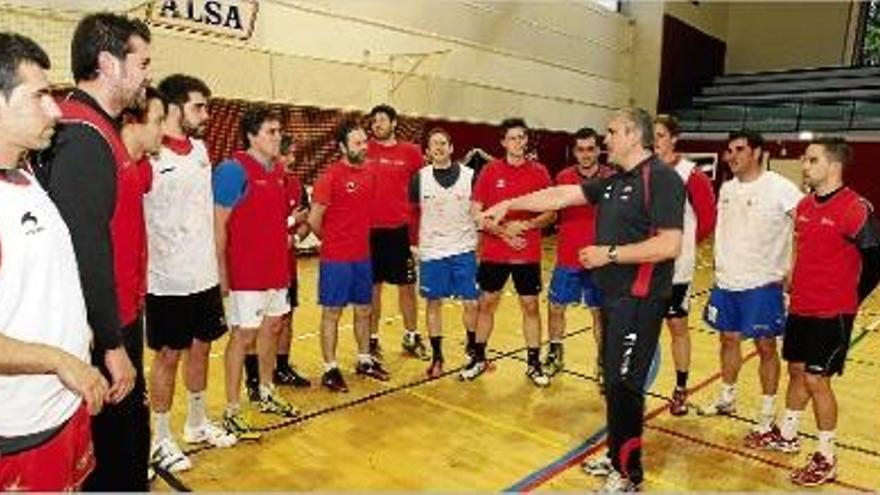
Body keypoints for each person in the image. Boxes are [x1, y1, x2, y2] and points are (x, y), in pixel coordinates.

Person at [481, 108, 685, 491]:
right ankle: (614, 458)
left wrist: (609, 254)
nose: (606, 140)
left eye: (611, 132)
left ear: (631, 134)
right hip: (613, 298)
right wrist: (511, 203)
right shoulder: (614, 180)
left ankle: (629, 474)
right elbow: (562, 194)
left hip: (638, 300)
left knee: (626, 386)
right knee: (613, 381)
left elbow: (669, 244)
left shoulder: (661, 179)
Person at [38, 13, 152, 490]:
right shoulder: (82, 137)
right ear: (109, 63)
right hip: (101, 332)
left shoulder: (101, 129)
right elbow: (85, 250)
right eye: (142, 62)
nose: (148, 74)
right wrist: (111, 345)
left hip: (116, 319)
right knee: (114, 466)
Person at [0, 31, 108, 492]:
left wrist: (77, 336)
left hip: (62, 409)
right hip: (18, 428)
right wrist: (60, 359)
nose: (57, 110)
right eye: (40, 96)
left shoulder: (25, 174)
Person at [772, 138, 880, 486]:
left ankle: (826, 456)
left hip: (832, 312)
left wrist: (850, 299)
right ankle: (787, 435)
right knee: (797, 371)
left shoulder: (854, 208)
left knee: (818, 380)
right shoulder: (804, 205)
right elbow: (806, 250)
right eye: (805, 159)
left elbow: (875, 262)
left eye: (811, 160)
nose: (804, 165)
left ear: (833, 165)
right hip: (801, 306)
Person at [144, 74, 236, 472]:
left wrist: (219, 269)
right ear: (175, 108)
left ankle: (197, 422)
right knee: (168, 357)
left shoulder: (200, 150)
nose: (207, 115)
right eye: (199, 107)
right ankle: (160, 438)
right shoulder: (149, 155)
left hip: (204, 277)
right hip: (166, 280)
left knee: (203, 348)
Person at [698, 131, 803, 451]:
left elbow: (806, 226)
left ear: (757, 152)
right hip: (727, 281)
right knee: (727, 339)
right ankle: (727, 397)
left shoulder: (781, 188)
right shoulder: (727, 188)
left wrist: (793, 267)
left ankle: (767, 416)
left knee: (766, 346)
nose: (731, 156)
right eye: (729, 150)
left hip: (763, 283)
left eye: (739, 150)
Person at [214, 106, 299, 437]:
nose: (278, 138)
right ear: (251, 136)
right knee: (243, 336)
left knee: (272, 329)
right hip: (245, 274)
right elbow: (218, 225)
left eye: (279, 132)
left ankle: (266, 391)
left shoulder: (278, 171)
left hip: (276, 270)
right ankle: (232, 409)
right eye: (271, 132)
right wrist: (222, 271)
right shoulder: (232, 170)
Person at [463, 117, 556, 387]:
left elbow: (551, 213)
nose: (518, 142)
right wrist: (504, 231)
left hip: (528, 254)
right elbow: (476, 213)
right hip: (494, 252)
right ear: (503, 142)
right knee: (487, 304)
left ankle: (534, 363)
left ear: (526, 140)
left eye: (522, 137)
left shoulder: (539, 172)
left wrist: (526, 224)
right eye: (512, 138)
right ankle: (479, 358)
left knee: (530, 306)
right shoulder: (490, 171)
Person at [309, 121, 390, 392]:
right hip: (336, 259)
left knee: (364, 310)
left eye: (364, 142)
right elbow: (313, 219)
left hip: (363, 256)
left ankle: (364, 359)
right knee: (332, 313)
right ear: (342, 147)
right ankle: (330, 368)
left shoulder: (371, 173)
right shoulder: (329, 177)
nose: (363, 147)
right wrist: (331, 242)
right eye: (357, 143)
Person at [653, 115, 716, 415]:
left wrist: (681, 246)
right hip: (643, 265)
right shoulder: (643, 170)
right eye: (651, 135)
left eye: (661, 135)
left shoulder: (691, 174)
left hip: (676, 269)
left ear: (674, 139)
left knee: (677, 326)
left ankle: (680, 388)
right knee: (640, 327)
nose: (656, 141)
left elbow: (706, 221)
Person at [545, 127, 614, 383]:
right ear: (574, 152)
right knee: (555, 308)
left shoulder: (611, 177)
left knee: (599, 313)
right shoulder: (563, 177)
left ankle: (604, 362)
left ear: (598, 150)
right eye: (580, 149)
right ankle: (554, 353)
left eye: (590, 149)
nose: (585, 154)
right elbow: (551, 210)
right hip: (568, 257)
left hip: (599, 260)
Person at [409, 127, 480, 378]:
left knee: (472, 303)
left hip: (463, 248)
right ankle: (437, 355)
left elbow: (479, 210)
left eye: (443, 143)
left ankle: (472, 346)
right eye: (433, 145)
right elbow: (412, 213)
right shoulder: (419, 178)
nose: (438, 148)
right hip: (432, 251)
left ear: (451, 148)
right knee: (433, 303)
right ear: (427, 152)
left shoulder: (471, 176)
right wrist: (412, 244)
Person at [365, 104, 426, 360]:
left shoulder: (411, 152)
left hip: (400, 232)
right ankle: (371, 339)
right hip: (369, 231)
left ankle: (411, 336)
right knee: (372, 289)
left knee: (407, 287)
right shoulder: (363, 148)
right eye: (373, 121)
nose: (376, 124)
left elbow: (423, 192)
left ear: (394, 123)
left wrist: (419, 234)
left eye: (381, 120)